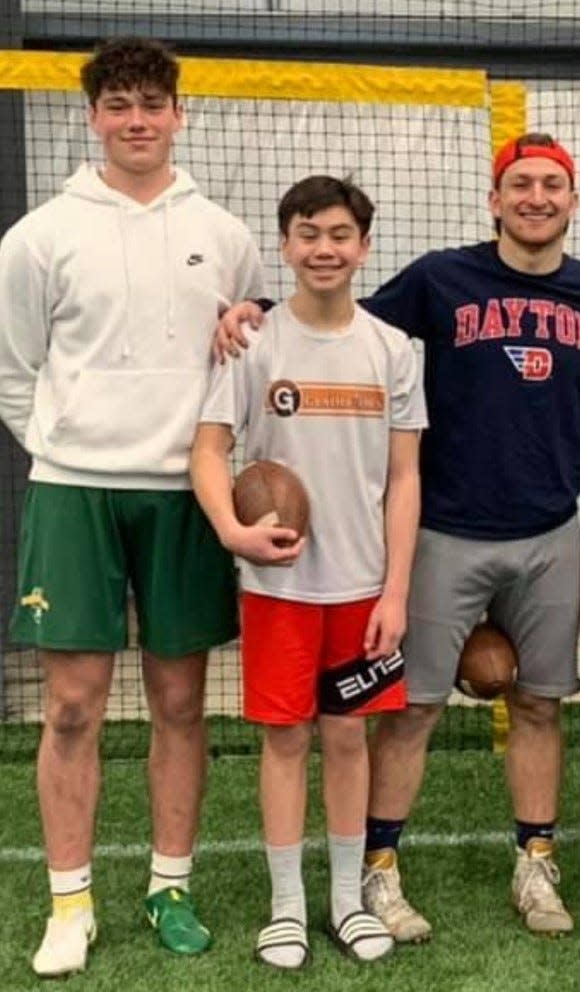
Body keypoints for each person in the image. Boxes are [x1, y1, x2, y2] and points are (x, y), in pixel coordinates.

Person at [214, 133, 580, 940]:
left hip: (554, 529)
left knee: (542, 704)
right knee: (406, 711)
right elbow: (340, 322)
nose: (535, 198)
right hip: (444, 530)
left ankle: (536, 862)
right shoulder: (442, 277)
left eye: (552, 185)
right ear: (494, 199)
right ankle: (377, 871)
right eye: (520, 184)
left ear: (571, 201)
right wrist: (256, 314)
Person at [0, 37, 265, 977]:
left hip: (184, 494)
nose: (138, 119)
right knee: (71, 706)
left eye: (153, 102)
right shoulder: (37, 236)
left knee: (181, 700)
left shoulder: (225, 234)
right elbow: (15, 372)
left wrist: (204, 460)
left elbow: (242, 357)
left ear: (179, 113)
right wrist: (70, 450)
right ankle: (69, 903)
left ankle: (169, 887)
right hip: (73, 490)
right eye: (119, 104)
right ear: (94, 116)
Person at [191, 175, 427, 968]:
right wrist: (233, 529)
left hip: (362, 591)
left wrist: (396, 590)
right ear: (285, 245)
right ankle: (286, 908)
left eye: (338, 234)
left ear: (363, 245)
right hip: (278, 588)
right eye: (306, 234)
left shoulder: (393, 350)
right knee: (286, 741)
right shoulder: (252, 344)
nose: (322, 249)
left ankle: (345, 904)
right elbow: (211, 450)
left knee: (350, 738)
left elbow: (404, 479)